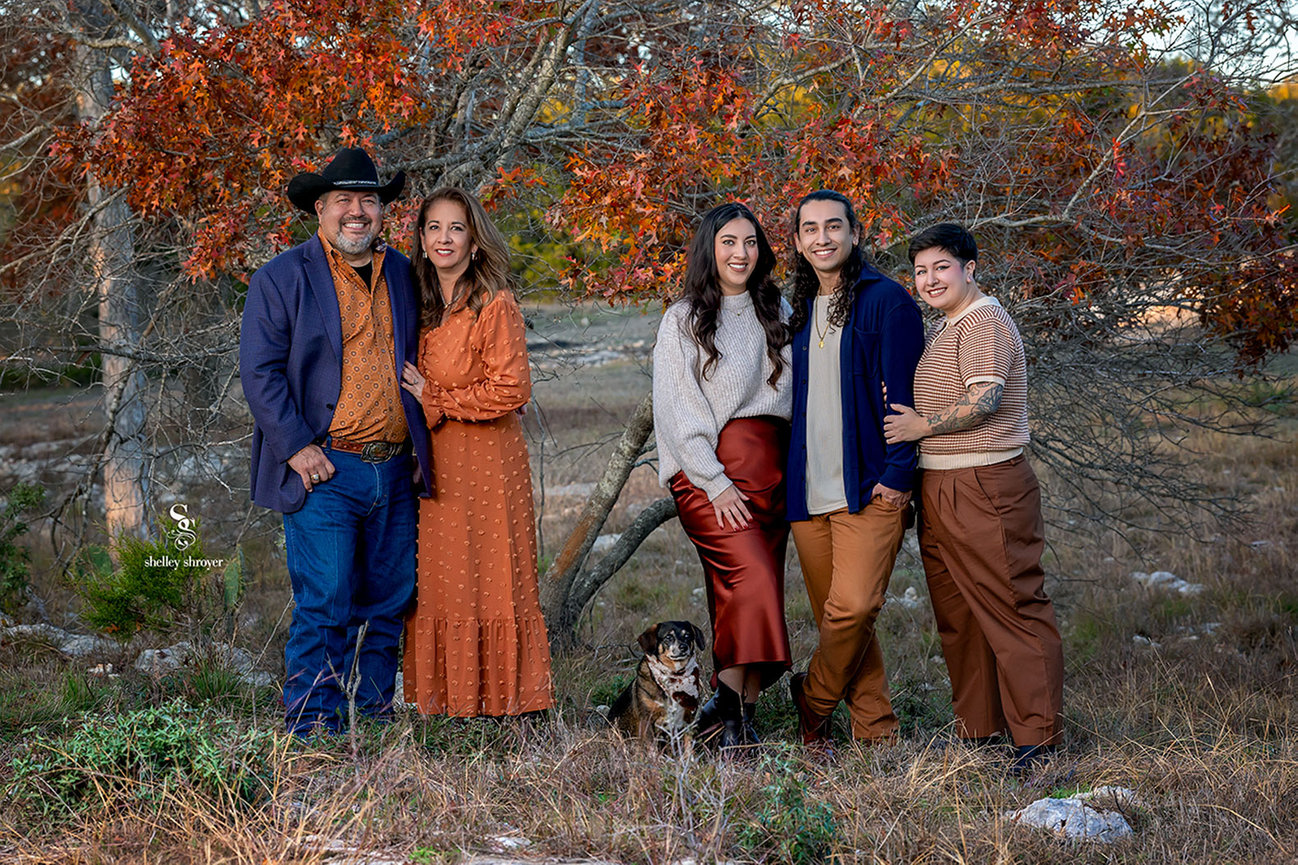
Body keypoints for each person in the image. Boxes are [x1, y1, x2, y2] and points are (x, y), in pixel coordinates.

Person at [240, 147, 431, 735]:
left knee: (388, 600)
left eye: (368, 201)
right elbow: (259, 371)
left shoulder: (402, 272)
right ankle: (312, 728)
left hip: (395, 469)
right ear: (319, 209)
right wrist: (298, 448)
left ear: (382, 211)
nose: (357, 212)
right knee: (326, 599)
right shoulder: (283, 276)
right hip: (324, 468)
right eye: (344, 201)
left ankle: (371, 716)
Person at [883, 222, 1064, 772]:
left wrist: (923, 427)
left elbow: (986, 398)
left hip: (985, 482)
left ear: (970, 268)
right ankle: (979, 730)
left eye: (942, 267)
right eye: (920, 270)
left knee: (1012, 606)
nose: (930, 279)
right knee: (959, 615)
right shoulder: (947, 325)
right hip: (942, 484)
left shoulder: (982, 319)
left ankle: (1038, 741)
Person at [398, 187, 554, 718]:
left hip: (489, 461)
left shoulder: (495, 303)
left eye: (456, 228)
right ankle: (447, 703)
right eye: (434, 228)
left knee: (492, 574)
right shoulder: (417, 305)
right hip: (436, 461)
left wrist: (435, 397)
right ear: (420, 239)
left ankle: (506, 701)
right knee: (443, 577)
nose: (445, 238)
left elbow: (512, 389)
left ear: (475, 240)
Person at [785, 190, 924, 748]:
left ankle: (812, 699)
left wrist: (898, 476)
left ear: (855, 234)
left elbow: (911, 398)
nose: (823, 238)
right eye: (810, 229)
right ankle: (876, 733)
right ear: (797, 242)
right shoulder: (792, 310)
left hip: (868, 486)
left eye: (833, 227)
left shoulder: (886, 301)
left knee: (855, 607)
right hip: (804, 493)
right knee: (845, 624)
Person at [652, 202, 793, 748]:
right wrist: (715, 481)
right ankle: (728, 712)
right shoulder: (683, 319)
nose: (741, 253)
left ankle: (737, 718)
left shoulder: (777, 308)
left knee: (750, 592)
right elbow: (678, 410)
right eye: (729, 242)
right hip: (711, 473)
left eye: (751, 242)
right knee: (750, 580)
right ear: (709, 248)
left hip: (773, 470)